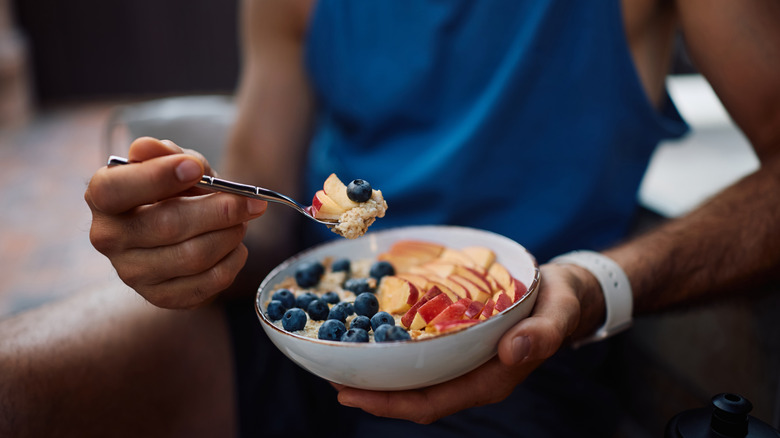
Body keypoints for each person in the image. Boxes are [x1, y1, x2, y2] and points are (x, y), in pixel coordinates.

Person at [2, 0, 779, 436]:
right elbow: (269, 210)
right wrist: (195, 234)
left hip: (515, 370)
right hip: (305, 332)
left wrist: (597, 284)